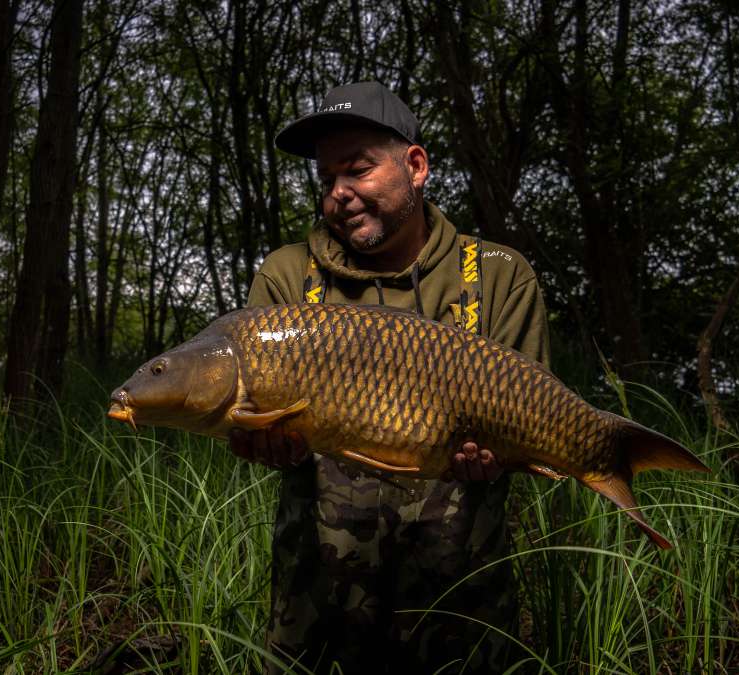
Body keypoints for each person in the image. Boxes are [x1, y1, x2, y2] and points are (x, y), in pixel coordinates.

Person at [233, 81, 550, 674]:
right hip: (317, 598)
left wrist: (500, 453)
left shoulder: (502, 276)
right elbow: (251, 417)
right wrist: (262, 441)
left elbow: (529, 427)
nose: (339, 195)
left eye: (357, 170)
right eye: (327, 181)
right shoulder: (285, 276)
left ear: (416, 165)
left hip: (460, 595)